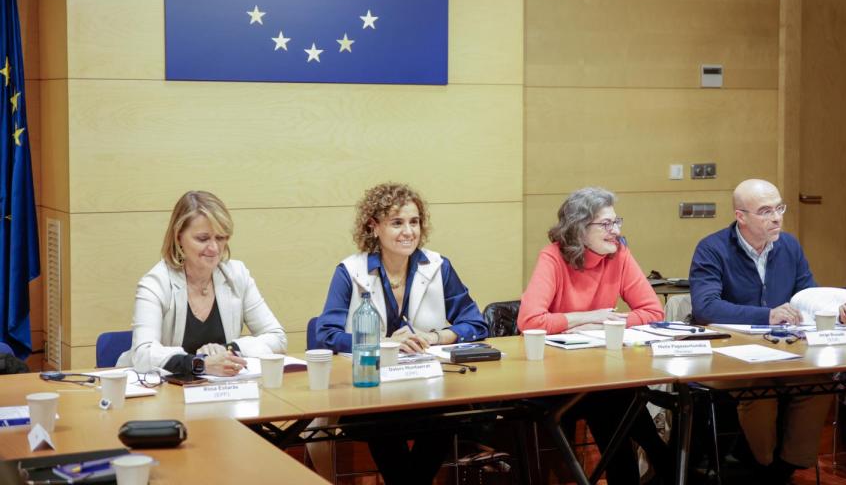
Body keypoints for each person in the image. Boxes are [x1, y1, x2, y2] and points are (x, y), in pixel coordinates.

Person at [316, 182, 488, 484]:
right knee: (379, 421)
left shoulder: (437, 266)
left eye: (414, 222)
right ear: (374, 227)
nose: (408, 231)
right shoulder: (350, 271)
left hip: (428, 389)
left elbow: (475, 323)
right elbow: (327, 334)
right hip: (369, 390)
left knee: (452, 415)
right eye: (397, 223)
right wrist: (384, 343)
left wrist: (435, 337)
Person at [689, 179, 844, 483]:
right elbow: (706, 308)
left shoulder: (789, 245)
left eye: (779, 208)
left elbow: (806, 294)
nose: (776, 217)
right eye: (765, 211)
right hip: (731, 351)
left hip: (785, 348)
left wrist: (833, 308)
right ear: (741, 216)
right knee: (761, 388)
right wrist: (768, 315)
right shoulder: (712, 248)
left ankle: (785, 466)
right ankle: (762, 465)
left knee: (821, 379)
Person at [518, 187, 668, 485]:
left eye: (617, 222)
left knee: (617, 397)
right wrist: (588, 317)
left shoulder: (619, 254)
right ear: (579, 228)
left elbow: (654, 312)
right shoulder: (553, 257)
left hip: (603, 372)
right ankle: (665, 460)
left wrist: (607, 325)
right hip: (557, 378)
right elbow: (530, 321)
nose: (616, 231)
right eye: (606, 224)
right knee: (618, 400)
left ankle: (662, 461)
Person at [119, 190, 286, 377]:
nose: (214, 248)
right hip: (166, 392)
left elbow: (277, 338)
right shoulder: (155, 283)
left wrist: (228, 349)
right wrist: (201, 363)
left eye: (221, 238)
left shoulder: (237, 275)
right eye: (203, 238)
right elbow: (143, 354)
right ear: (178, 237)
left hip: (224, 390)